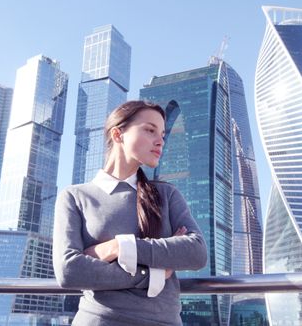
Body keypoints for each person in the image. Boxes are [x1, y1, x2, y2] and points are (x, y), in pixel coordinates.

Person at [53, 100, 207, 325]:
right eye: (150, 130)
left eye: (162, 134)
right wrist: (151, 275)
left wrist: (119, 247)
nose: (160, 141)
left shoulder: (166, 194)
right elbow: (69, 271)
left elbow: (196, 252)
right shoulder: (75, 196)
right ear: (118, 134)